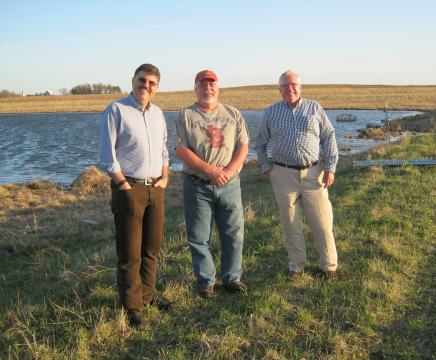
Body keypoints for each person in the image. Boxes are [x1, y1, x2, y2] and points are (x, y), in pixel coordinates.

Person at [99, 63, 169, 327]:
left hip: (156, 188)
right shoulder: (116, 110)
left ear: (156, 87)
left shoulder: (158, 113)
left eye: (152, 83)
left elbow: (163, 149)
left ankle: (148, 295)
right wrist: (123, 185)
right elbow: (107, 155)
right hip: (130, 188)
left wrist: (165, 177)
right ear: (133, 81)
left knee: (151, 247)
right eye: (142, 80)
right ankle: (132, 306)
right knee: (130, 251)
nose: (146, 86)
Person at [256, 70, 339, 279]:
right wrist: (267, 168)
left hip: (313, 174)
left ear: (300, 87)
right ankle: (297, 265)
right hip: (283, 175)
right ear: (279, 90)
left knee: (322, 222)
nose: (289, 89)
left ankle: (329, 266)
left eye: (293, 85)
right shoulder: (270, 112)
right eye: (285, 86)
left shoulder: (314, 108)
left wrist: (331, 167)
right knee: (290, 223)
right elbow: (260, 143)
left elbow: (328, 136)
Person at [175, 70, 249, 298]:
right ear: (195, 89)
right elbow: (181, 149)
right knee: (199, 237)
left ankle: (232, 278)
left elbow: (243, 145)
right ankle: (206, 281)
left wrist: (227, 171)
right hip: (197, 185)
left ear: (218, 88)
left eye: (212, 84)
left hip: (229, 183)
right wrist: (210, 170)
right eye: (203, 85)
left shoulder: (232, 113)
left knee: (234, 233)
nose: (208, 89)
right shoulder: (185, 116)